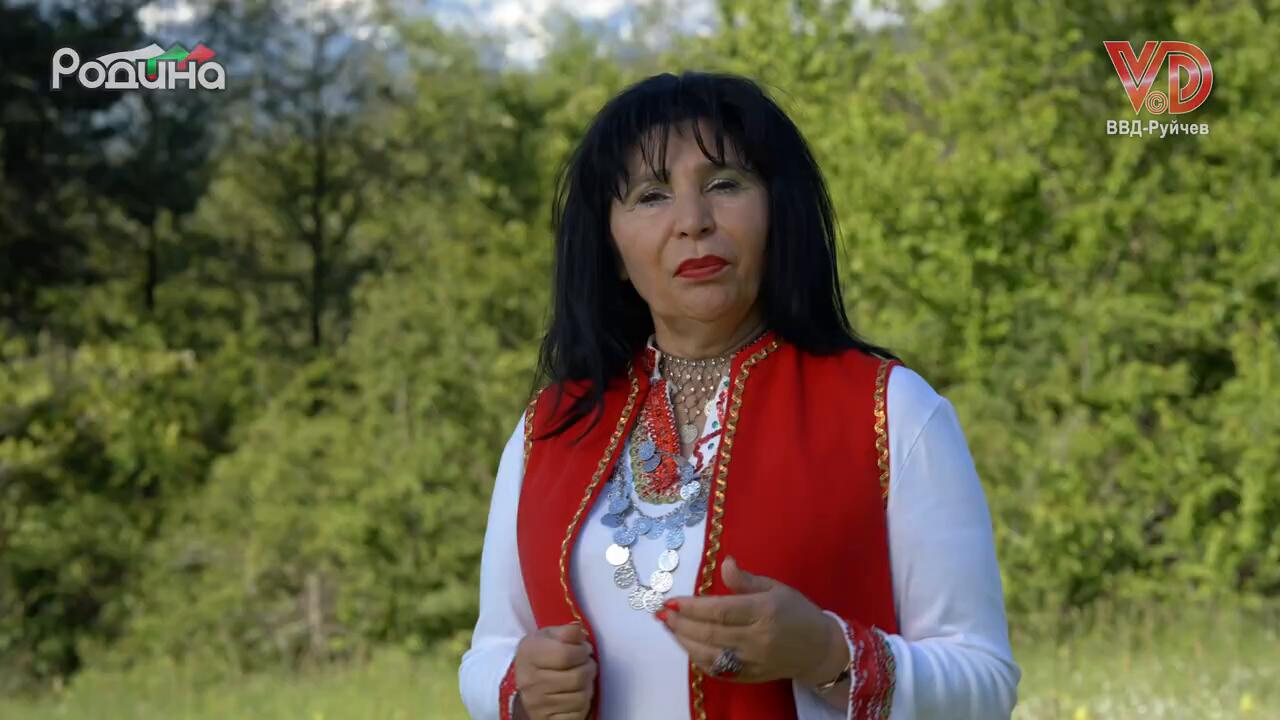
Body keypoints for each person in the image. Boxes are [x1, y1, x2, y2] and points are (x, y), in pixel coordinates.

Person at [458, 71, 1020, 720]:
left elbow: (986, 682)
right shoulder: (552, 427)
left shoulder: (889, 409)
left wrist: (827, 653)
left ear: (778, 211)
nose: (693, 222)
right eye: (650, 195)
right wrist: (520, 688)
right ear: (610, 248)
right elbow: (490, 653)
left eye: (724, 185)